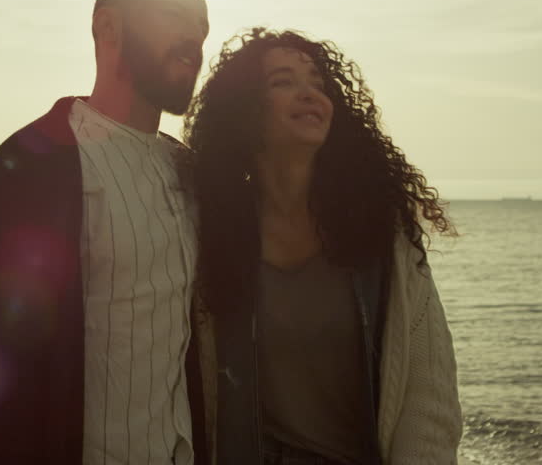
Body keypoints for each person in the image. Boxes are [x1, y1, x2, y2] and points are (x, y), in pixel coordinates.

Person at [0, 0, 212, 464]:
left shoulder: (191, 174)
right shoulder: (33, 166)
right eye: (176, 15)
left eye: (202, 27)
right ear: (109, 27)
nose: (195, 37)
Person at [182, 28, 462, 465]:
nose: (310, 94)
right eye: (283, 82)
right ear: (243, 109)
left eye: (318, 84)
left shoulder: (380, 235)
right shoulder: (208, 231)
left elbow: (430, 394)